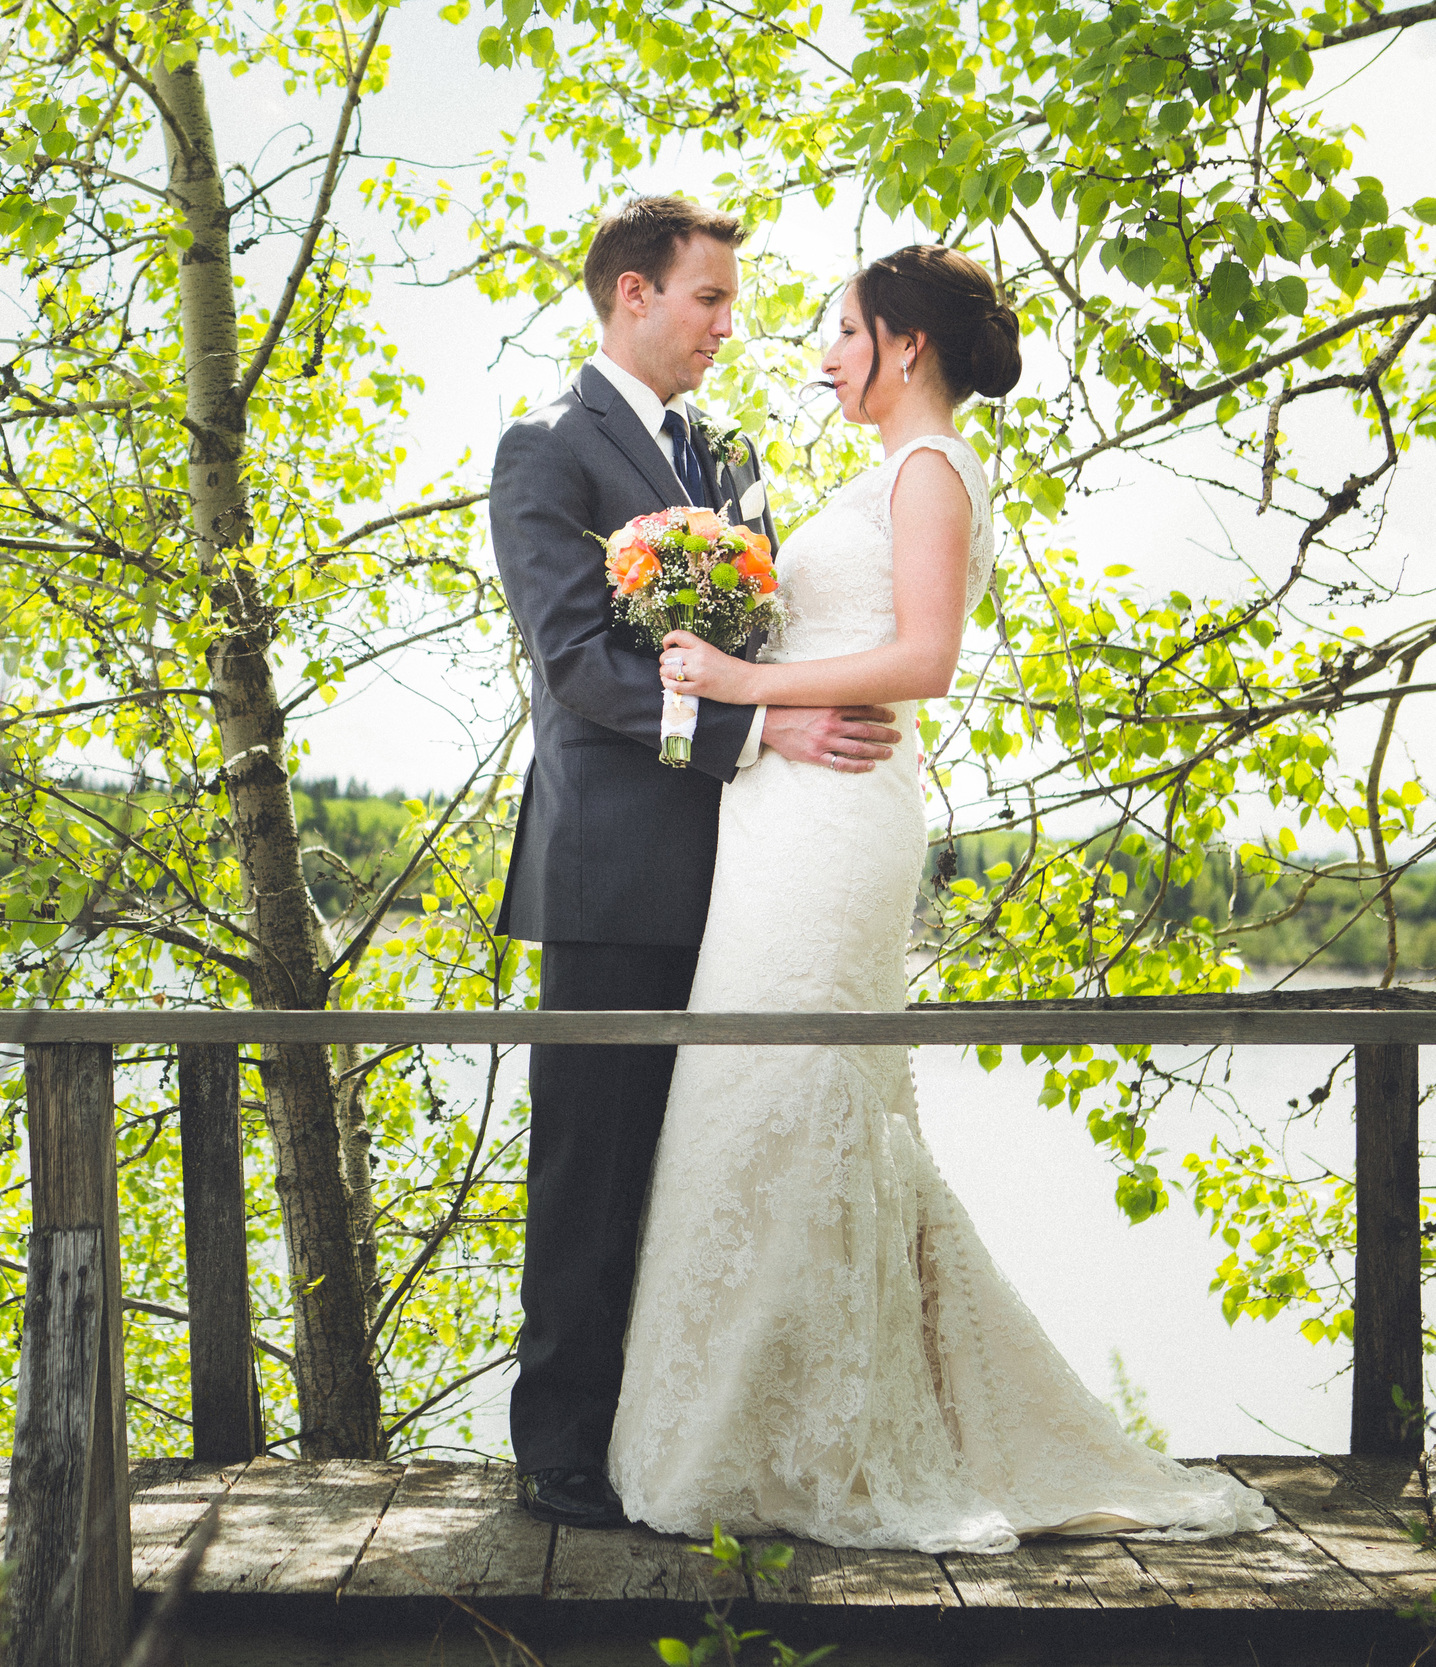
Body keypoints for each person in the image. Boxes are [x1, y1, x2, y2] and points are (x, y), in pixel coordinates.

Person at [610, 245, 1272, 1552]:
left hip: (840, 816)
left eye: (843, 331)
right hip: (781, 813)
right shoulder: (891, 470)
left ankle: (817, 1439)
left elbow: (925, 657)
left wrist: (742, 687)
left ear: (904, 344)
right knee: (746, 1085)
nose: (822, 356)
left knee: (804, 1085)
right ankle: (750, 1425)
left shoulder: (930, 470)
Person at [487, 194, 905, 1530]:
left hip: (748, 873)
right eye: (710, 298)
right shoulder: (547, 450)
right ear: (634, 294)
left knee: (705, 1174)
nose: (730, 324)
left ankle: (670, 1441)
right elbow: (578, 664)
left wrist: (804, 706)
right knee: (593, 1167)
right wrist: (763, 728)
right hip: (611, 875)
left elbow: (761, 633)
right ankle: (559, 1455)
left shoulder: (725, 459)